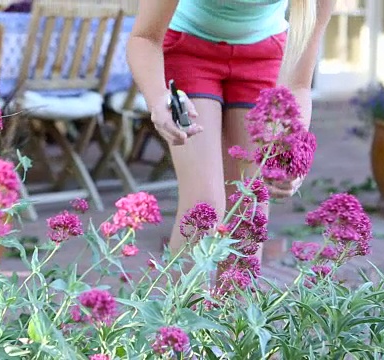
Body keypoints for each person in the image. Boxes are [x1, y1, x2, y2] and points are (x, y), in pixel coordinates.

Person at [126, 0, 335, 260]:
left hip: (264, 55)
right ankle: (185, 302)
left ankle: (235, 302)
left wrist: (293, 150)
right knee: (204, 206)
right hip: (188, 49)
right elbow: (144, 37)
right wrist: (158, 97)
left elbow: (299, 85)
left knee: (251, 206)